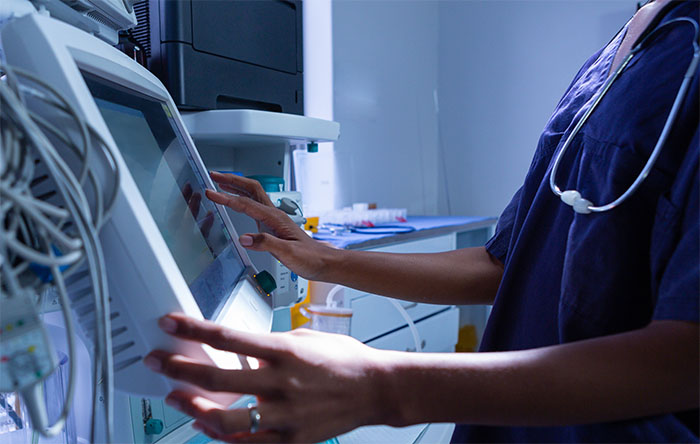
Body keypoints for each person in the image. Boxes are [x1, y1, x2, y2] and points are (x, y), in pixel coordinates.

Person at [144, 0, 699, 442]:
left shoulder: (687, 57)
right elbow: (503, 263)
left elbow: (686, 358)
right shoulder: (625, 49)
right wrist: (322, 257)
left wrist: (386, 388)